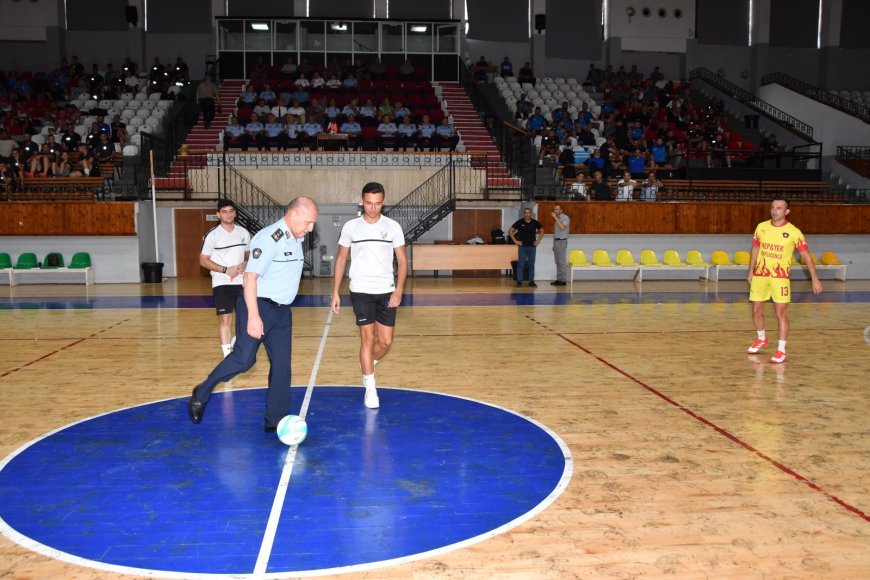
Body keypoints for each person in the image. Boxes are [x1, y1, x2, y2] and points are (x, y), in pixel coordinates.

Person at [188, 197, 320, 431]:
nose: (310, 229)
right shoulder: (269, 238)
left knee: (282, 366)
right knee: (244, 359)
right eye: (308, 223)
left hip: (282, 312)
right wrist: (254, 315)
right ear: (294, 215)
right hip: (258, 306)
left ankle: (275, 420)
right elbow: (250, 277)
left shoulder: (296, 237)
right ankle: (202, 391)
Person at [331, 182, 407, 409]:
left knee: (385, 342)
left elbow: (402, 261)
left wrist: (399, 288)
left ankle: (368, 365)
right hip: (361, 290)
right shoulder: (351, 227)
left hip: (386, 290)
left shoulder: (393, 227)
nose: (373, 208)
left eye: (377, 203)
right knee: (368, 338)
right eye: (368, 203)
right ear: (361, 201)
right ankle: (370, 388)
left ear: (383, 202)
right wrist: (335, 291)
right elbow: (341, 259)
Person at [746, 199, 822, 364]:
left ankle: (781, 350)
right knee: (756, 311)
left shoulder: (794, 232)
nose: (774, 211)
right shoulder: (762, 227)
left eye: (779, 208)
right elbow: (755, 248)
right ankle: (761, 338)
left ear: (787, 212)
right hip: (760, 275)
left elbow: (806, 257)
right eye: (772, 208)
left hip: (779, 278)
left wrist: (814, 278)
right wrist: (750, 270)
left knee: (781, 313)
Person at [199, 200, 251, 358]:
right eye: (224, 211)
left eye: (231, 211)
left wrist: (245, 263)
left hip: (242, 282)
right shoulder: (212, 235)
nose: (228, 214)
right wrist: (225, 269)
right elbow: (203, 260)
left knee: (246, 318)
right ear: (218, 214)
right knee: (225, 318)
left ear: (235, 213)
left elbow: (247, 253)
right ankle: (227, 355)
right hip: (222, 282)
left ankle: (236, 341)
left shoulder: (243, 233)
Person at [509, 207, 543, 288]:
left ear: (531, 214)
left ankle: (531, 282)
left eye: (528, 212)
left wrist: (538, 241)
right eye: (525, 212)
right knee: (521, 264)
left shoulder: (535, 222)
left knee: (531, 265)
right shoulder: (519, 222)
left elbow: (542, 230)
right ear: (524, 214)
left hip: (532, 247)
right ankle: (519, 282)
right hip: (522, 247)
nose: (527, 214)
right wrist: (515, 241)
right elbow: (510, 231)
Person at [550, 204, 570, 286]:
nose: (555, 211)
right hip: (556, 241)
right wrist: (554, 243)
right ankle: (559, 279)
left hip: (562, 241)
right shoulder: (558, 218)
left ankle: (563, 280)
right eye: (554, 209)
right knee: (557, 261)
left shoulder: (565, 218)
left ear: (561, 210)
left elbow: (562, 228)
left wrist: (555, 218)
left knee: (561, 262)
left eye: (557, 209)